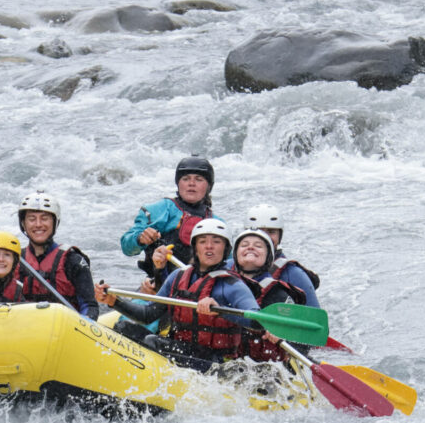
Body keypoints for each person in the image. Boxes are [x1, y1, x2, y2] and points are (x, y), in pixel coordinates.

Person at [96, 219, 263, 370]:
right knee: (123, 328)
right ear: (195, 247)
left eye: (216, 242)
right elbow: (148, 314)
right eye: (202, 241)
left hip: (215, 362)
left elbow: (258, 321)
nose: (209, 246)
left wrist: (221, 311)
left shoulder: (232, 285)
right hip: (180, 349)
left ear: (226, 248)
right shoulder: (178, 276)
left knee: (152, 342)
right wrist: (114, 302)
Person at [0, 193, 99, 319]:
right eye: (31, 219)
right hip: (22, 331)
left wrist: (85, 324)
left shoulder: (72, 260)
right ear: (23, 223)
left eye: (45, 218)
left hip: (62, 332)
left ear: (55, 222)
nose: (38, 224)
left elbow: (90, 306)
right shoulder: (11, 259)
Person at [120, 155, 220, 286]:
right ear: (178, 184)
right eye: (185, 179)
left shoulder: (217, 224)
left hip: (200, 288)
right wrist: (140, 239)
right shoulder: (159, 210)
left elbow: (229, 264)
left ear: (208, 186)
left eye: (199, 179)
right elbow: (126, 247)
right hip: (158, 285)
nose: (191, 183)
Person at [229, 228, 306, 363]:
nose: (250, 247)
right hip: (229, 361)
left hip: (266, 367)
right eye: (244, 245)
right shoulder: (222, 287)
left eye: (258, 246)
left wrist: (283, 336)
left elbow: (301, 341)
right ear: (235, 255)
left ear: (268, 257)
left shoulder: (277, 294)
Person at [245, 203, 322, 308]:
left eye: (271, 232)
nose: (264, 237)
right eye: (258, 231)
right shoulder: (229, 267)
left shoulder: (294, 275)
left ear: (280, 236)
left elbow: (314, 316)